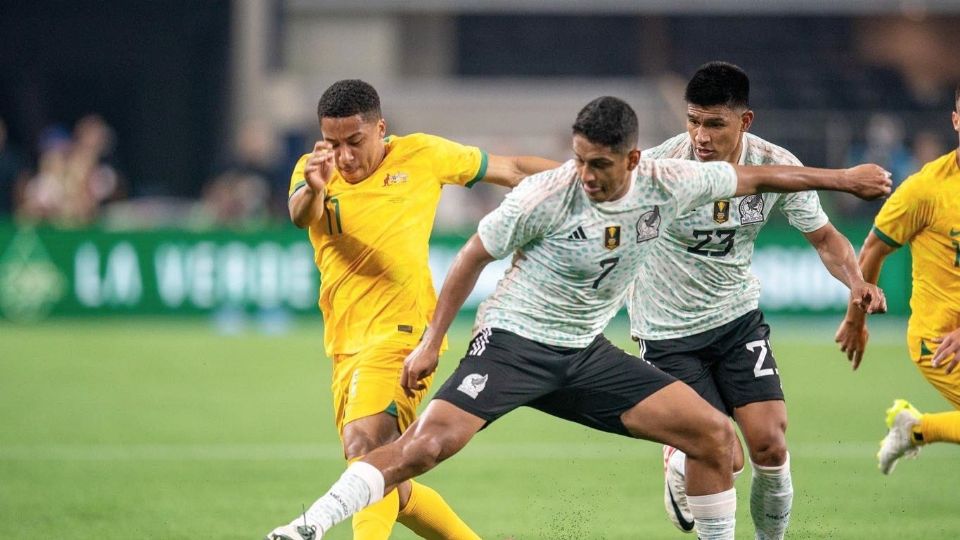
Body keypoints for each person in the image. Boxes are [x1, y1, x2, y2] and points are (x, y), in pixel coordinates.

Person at [265, 96, 892, 540]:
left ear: (634, 159)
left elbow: (756, 176)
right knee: (424, 448)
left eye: (599, 165)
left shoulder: (672, 181)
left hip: (584, 352)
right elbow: (470, 258)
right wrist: (433, 343)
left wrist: (843, 178)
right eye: (579, 159)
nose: (585, 176)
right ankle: (306, 527)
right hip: (512, 344)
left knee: (717, 440)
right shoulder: (545, 195)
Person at [285, 79, 558, 540]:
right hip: (345, 342)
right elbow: (300, 215)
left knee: (366, 449)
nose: (345, 156)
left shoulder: (422, 155)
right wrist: (314, 187)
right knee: (392, 486)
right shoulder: (313, 170)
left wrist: (595, 178)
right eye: (333, 143)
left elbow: (510, 169)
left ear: (380, 129)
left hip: (403, 332)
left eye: (355, 142)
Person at [628, 61, 886, 540]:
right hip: (667, 330)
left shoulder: (774, 162)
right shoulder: (663, 168)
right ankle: (679, 459)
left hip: (736, 320)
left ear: (745, 122)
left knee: (769, 444)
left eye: (714, 124)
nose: (700, 135)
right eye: (693, 121)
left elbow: (827, 239)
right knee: (721, 454)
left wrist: (855, 281)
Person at [835, 83, 960, 475]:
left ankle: (915, 429)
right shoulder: (927, 190)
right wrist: (856, 320)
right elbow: (873, 249)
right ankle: (916, 430)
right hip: (940, 340)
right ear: (956, 120)